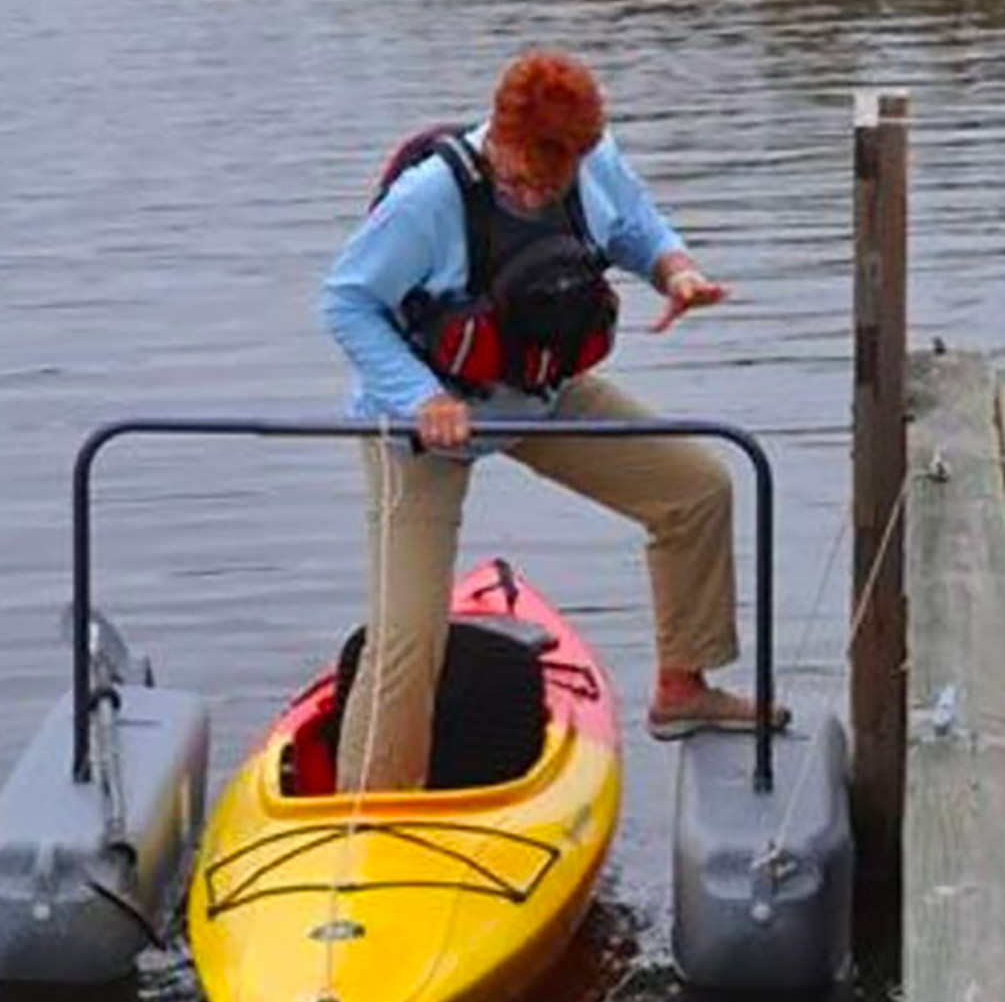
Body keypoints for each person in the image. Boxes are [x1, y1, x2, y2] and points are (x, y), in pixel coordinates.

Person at [321, 48, 789, 793]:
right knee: (408, 639)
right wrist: (420, 399)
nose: (534, 195)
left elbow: (632, 224)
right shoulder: (429, 198)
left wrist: (676, 270)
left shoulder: (590, 160)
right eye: (519, 177)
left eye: (552, 181)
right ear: (498, 136)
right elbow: (346, 301)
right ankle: (368, 824)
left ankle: (682, 689)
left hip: (541, 396)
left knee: (696, 488)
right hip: (423, 427)